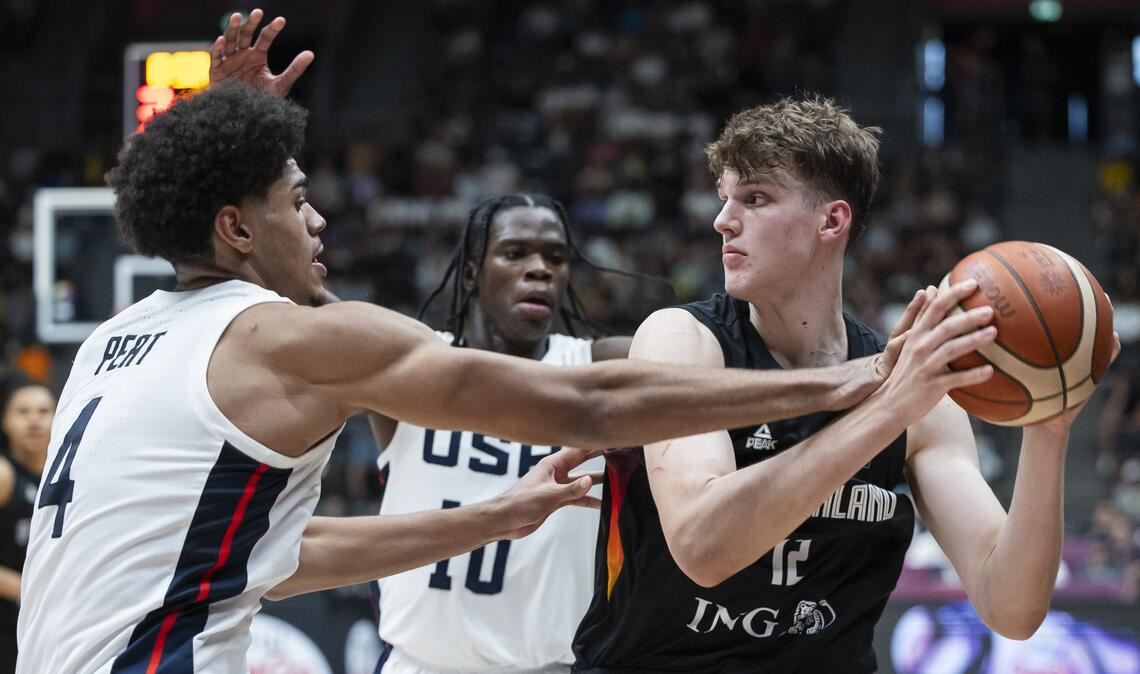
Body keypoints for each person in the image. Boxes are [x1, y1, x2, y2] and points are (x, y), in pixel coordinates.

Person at [15, 79, 990, 674]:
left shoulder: (117, 339)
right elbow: (587, 402)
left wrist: (490, 515)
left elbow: (279, 556)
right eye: (295, 199)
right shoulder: (293, 341)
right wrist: (854, 382)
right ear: (233, 225)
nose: (321, 223)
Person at [572, 95, 1121, 672]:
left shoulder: (921, 399)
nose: (723, 220)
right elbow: (704, 547)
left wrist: (1049, 426)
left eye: (755, 199)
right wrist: (886, 408)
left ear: (831, 220)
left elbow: (1012, 608)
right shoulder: (682, 340)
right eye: (725, 198)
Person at [369, 193, 632, 673]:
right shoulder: (411, 366)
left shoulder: (600, 369)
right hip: (421, 664)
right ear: (472, 272)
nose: (541, 269)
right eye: (515, 253)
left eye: (556, 257)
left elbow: (704, 355)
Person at [0, 382, 54, 674]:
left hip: (45, 624)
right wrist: (28, 588)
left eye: (44, 411)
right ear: (6, 421)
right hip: (7, 624)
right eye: (23, 412)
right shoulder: (4, 474)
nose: (34, 420)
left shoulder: (66, 473)